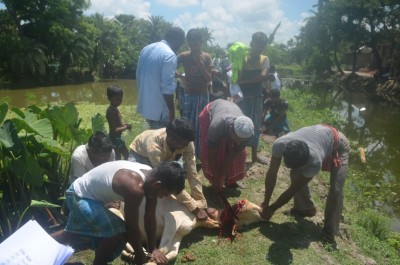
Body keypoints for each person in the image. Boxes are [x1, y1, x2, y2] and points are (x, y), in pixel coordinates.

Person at [52, 160, 186, 265]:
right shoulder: (134, 188)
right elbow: (131, 228)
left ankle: (38, 244)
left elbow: (149, 217)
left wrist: (153, 249)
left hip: (89, 196)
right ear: (158, 185)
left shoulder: (151, 177)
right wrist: (140, 256)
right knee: (118, 231)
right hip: (78, 196)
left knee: (71, 234)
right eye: (165, 194)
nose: (163, 197)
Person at [261, 124, 350, 245]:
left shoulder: (315, 161)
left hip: (339, 145)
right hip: (320, 137)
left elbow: (293, 189)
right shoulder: (280, 144)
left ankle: (329, 231)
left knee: (336, 189)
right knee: (295, 173)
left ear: (306, 161)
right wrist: (265, 202)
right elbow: (272, 173)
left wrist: (272, 208)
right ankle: (305, 208)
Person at [128, 118, 208, 220]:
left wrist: (201, 202)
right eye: (184, 143)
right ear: (172, 139)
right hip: (140, 156)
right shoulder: (154, 146)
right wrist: (194, 207)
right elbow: (166, 178)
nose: (187, 146)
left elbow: (192, 172)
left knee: (173, 182)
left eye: (188, 143)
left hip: (165, 157)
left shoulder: (186, 141)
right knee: (141, 185)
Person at [199, 99, 254, 191]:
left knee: (240, 155)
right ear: (230, 128)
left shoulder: (248, 133)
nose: (239, 143)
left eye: (242, 141)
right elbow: (211, 155)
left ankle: (230, 180)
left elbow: (231, 156)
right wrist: (216, 177)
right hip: (210, 112)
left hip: (229, 110)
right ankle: (214, 180)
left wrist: (220, 176)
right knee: (219, 152)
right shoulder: (216, 127)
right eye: (237, 139)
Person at [136, 27, 185, 129]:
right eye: (181, 42)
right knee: (160, 142)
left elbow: (142, 74)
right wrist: (172, 111)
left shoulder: (146, 49)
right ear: (177, 39)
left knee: (151, 140)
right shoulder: (169, 55)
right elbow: (167, 87)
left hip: (146, 106)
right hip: (159, 111)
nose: (181, 46)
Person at [177, 28, 213, 158]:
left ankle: (200, 153)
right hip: (189, 95)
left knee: (202, 123)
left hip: (203, 95)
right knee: (188, 123)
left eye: (196, 42)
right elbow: (169, 67)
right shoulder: (183, 56)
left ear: (201, 42)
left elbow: (208, 78)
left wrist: (199, 62)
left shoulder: (206, 57)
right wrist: (181, 76)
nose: (193, 45)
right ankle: (187, 152)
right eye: (191, 42)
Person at [237, 32, 270, 164]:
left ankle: (254, 155)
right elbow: (236, 76)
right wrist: (241, 80)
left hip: (257, 96)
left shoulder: (264, 59)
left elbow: (263, 76)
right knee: (241, 123)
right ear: (251, 44)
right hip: (243, 97)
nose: (259, 49)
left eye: (262, 46)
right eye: (257, 46)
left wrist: (243, 81)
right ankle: (240, 153)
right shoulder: (242, 58)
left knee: (256, 125)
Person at [106, 84, 131, 160]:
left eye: (120, 99)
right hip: (114, 139)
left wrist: (124, 125)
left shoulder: (115, 109)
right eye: (116, 99)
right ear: (109, 98)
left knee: (124, 155)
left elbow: (118, 124)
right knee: (122, 156)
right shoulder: (110, 111)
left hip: (117, 137)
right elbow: (115, 129)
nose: (119, 101)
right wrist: (126, 127)